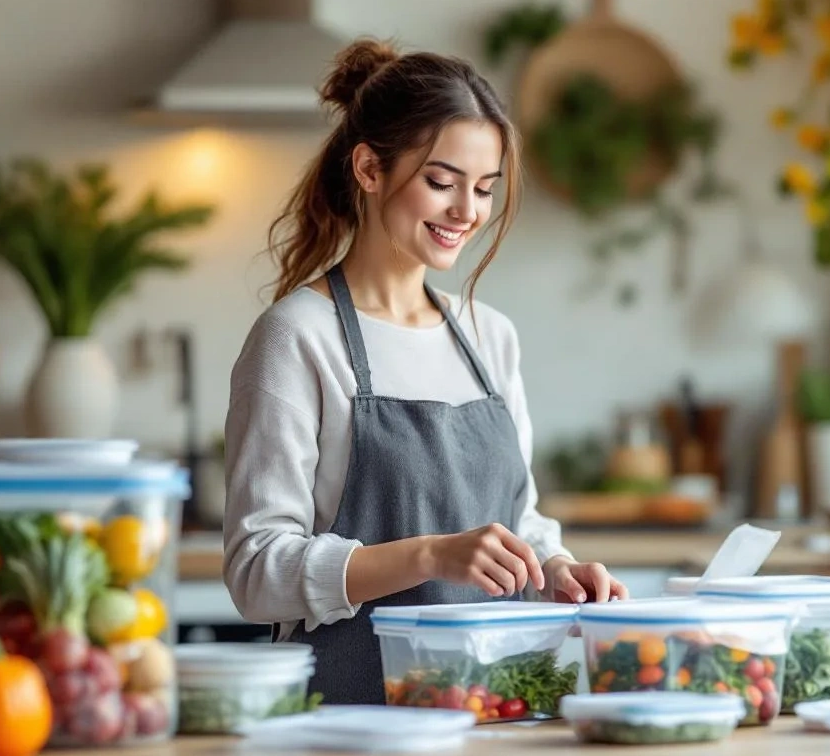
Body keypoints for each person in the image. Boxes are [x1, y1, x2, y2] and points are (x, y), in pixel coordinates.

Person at [221, 38, 628, 705]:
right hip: (351, 722)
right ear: (369, 169)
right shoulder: (297, 337)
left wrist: (554, 567)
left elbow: (517, 517)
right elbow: (256, 571)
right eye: (442, 182)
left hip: (496, 709)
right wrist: (431, 555)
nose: (467, 211)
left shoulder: (489, 336)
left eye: (484, 189)